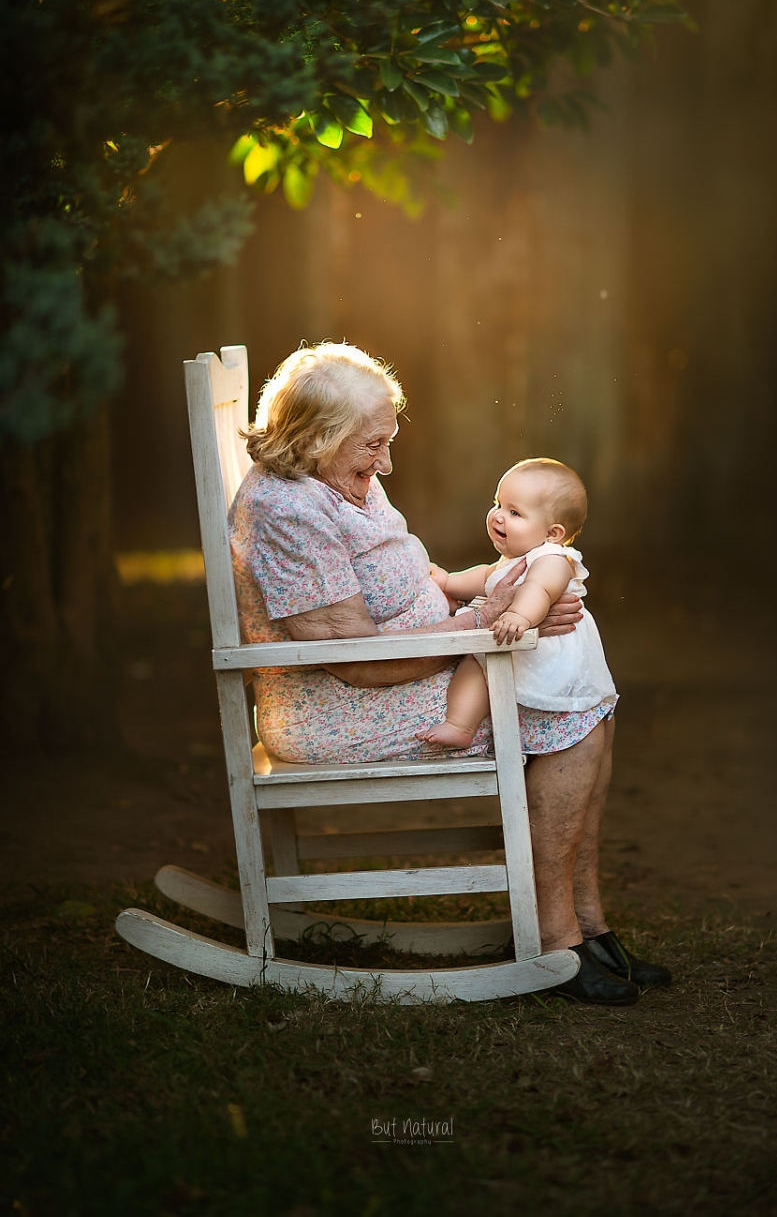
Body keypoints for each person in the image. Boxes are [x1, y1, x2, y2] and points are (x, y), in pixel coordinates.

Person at [229, 341, 671, 1004]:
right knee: (567, 712)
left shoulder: (334, 474)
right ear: (317, 436)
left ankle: (589, 925)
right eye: (373, 445)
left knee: (591, 708)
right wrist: (486, 621)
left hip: (414, 664)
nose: (386, 462)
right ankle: (558, 941)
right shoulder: (287, 510)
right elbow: (352, 661)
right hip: (337, 706)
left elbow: (399, 579)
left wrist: (485, 603)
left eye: (386, 441)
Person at [419, 458, 617, 749]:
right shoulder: (513, 561)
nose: (498, 516)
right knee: (475, 663)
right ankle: (460, 725)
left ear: (552, 533)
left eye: (514, 512)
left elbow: (540, 589)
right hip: (513, 643)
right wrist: (448, 581)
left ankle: (481, 725)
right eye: (498, 504)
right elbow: (484, 577)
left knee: (480, 662)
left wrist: (520, 615)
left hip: (546, 652)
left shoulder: (552, 558)